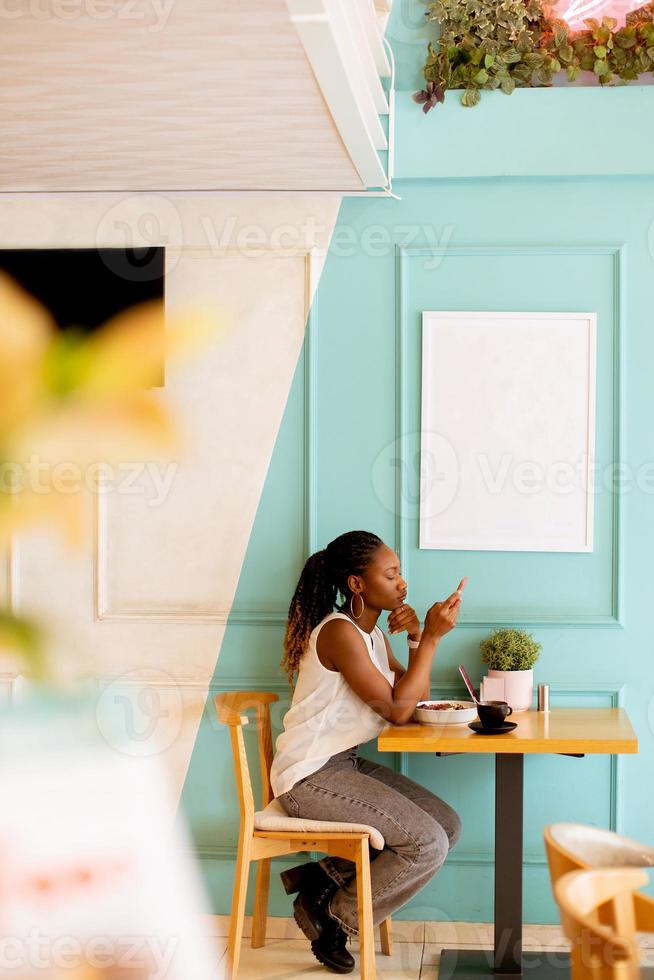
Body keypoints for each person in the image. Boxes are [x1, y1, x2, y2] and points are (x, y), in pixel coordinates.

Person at [270, 530, 465, 974]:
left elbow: (407, 693)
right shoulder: (341, 633)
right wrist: (433, 640)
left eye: (400, 573)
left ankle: (321, 879)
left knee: (446, 826)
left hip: (344, 765)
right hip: (310, 774)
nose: (402, 583)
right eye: (391, 573)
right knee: (426, 843)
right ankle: (334, 918)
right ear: (357, 584)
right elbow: (398, 711)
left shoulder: (372, 635)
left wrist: (417, 635)